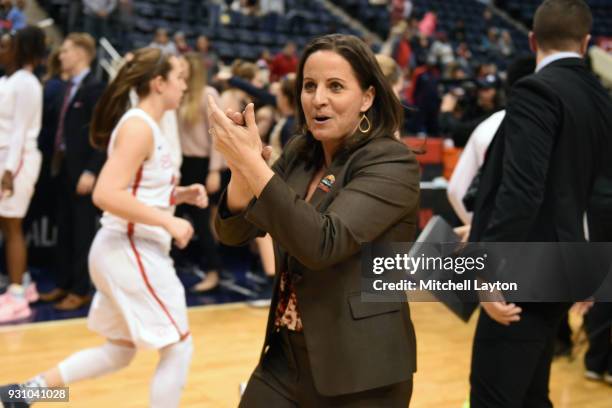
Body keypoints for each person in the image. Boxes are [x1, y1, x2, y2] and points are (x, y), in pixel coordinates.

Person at [211, 33, 419, 406]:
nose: (317, 98)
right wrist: (241, 171)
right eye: (309, 85)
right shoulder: (300, 152)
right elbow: (233, 232)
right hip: (284, 359)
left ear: (367, 98)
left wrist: (253, 165)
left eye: (335, 86)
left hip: (362, 373)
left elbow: (322, 243)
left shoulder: (392, 162)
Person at [0, 47, 206, 407]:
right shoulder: (139, 126)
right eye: (179, 79)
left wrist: (178, 195)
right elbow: (106, 192)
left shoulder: (145, 125)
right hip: (131, 249)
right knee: (178, 346)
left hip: (118, 250)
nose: (184, 87)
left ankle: (22, 394)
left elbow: (138, 188)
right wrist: (167, 220)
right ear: (158, 84)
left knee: (119, 352)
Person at [467, 1, 612, 406]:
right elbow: (601, 193)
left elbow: (521, 189)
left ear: (532, 40)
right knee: (531, 395)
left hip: (522, 272)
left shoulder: (535, 89)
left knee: (493, 397)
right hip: (563, 268)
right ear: (585, 43)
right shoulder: (601, 97)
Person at [39, 33, 106, 311]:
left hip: (83, 172)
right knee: (63, 229)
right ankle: (63, 284)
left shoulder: (97, 87)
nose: (60, 55)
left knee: (82, 232)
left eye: (65, 50)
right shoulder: (68, 87)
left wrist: (92, 171)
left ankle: (81, 289)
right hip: (62, 167)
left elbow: (103, 134)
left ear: (80, 53)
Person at [0, 26, 45, 323]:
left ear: (21, 49)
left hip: (18, 162)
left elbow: (18, 131)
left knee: (13, 225)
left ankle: (17, 294)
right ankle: (25, 283)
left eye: (6, 46)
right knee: (6, 224)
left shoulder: (27, 82)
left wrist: (8, 172)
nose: (2, 51)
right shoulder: (9, 80)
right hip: (6, 158)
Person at [176, 52, 225, 292]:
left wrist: (214, 170)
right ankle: (171, 269)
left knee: (202, 222)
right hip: (180, 163)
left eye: (182, 64)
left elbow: (218, 134)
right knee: (172, 217)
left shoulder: (208, 94)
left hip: (201, 164)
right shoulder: (178, 93)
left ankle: (214, 271)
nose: (177, 67)